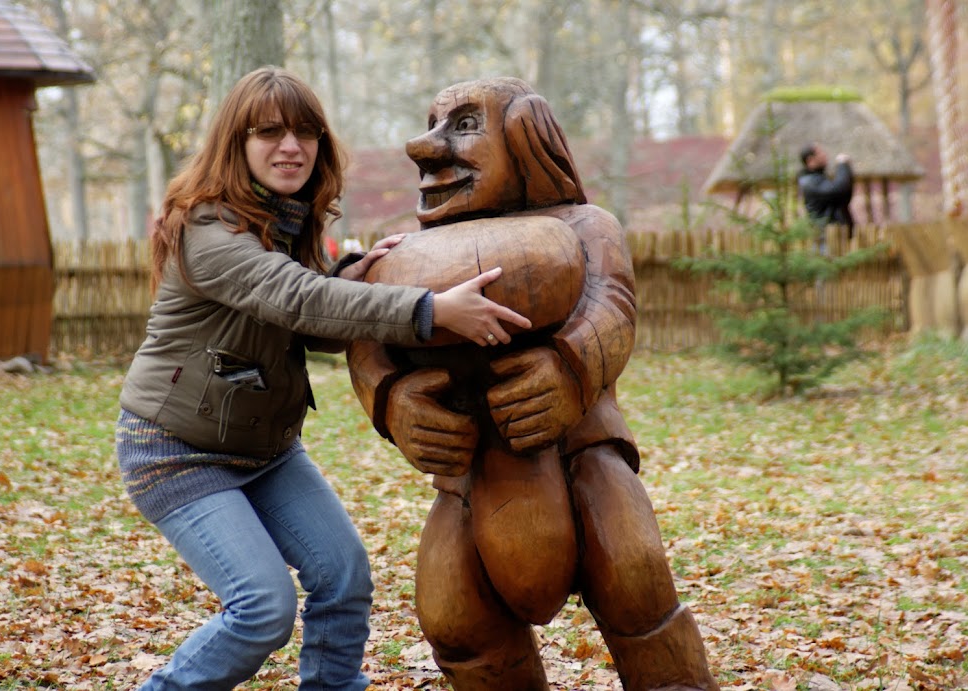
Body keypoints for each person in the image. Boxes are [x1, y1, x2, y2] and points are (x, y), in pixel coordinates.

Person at [114, 65, 531, 691]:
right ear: (237, 144)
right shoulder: (207, 228)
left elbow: (315, 328)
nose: (291, 147)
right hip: (178, 452)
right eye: (270, 132)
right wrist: (429, 310)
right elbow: (295, 299)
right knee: (261, 611)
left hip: (265, 449)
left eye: (305, 133)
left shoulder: (288, 220)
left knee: (343, 575)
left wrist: (360, 272)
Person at [348, 77, 718, 691]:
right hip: (470, 475)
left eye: (463, 126)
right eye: (432, 123)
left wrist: (569, 368)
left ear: (525, 139)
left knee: (634, 574)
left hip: (583, 455)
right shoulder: (402, 255)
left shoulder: (586, 225)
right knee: (452, 615)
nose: (426, 146)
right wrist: (393, 401)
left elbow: (614, 308)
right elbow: (367, 337)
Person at [798, 143, 856, 239]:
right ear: (810, 160)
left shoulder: (819, 178)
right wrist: (842, 165)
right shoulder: (810, 182)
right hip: (827, 238)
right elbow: (840, 189)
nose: (825, 155)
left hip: (837, 236)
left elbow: (844, 195)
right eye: (820, 153)